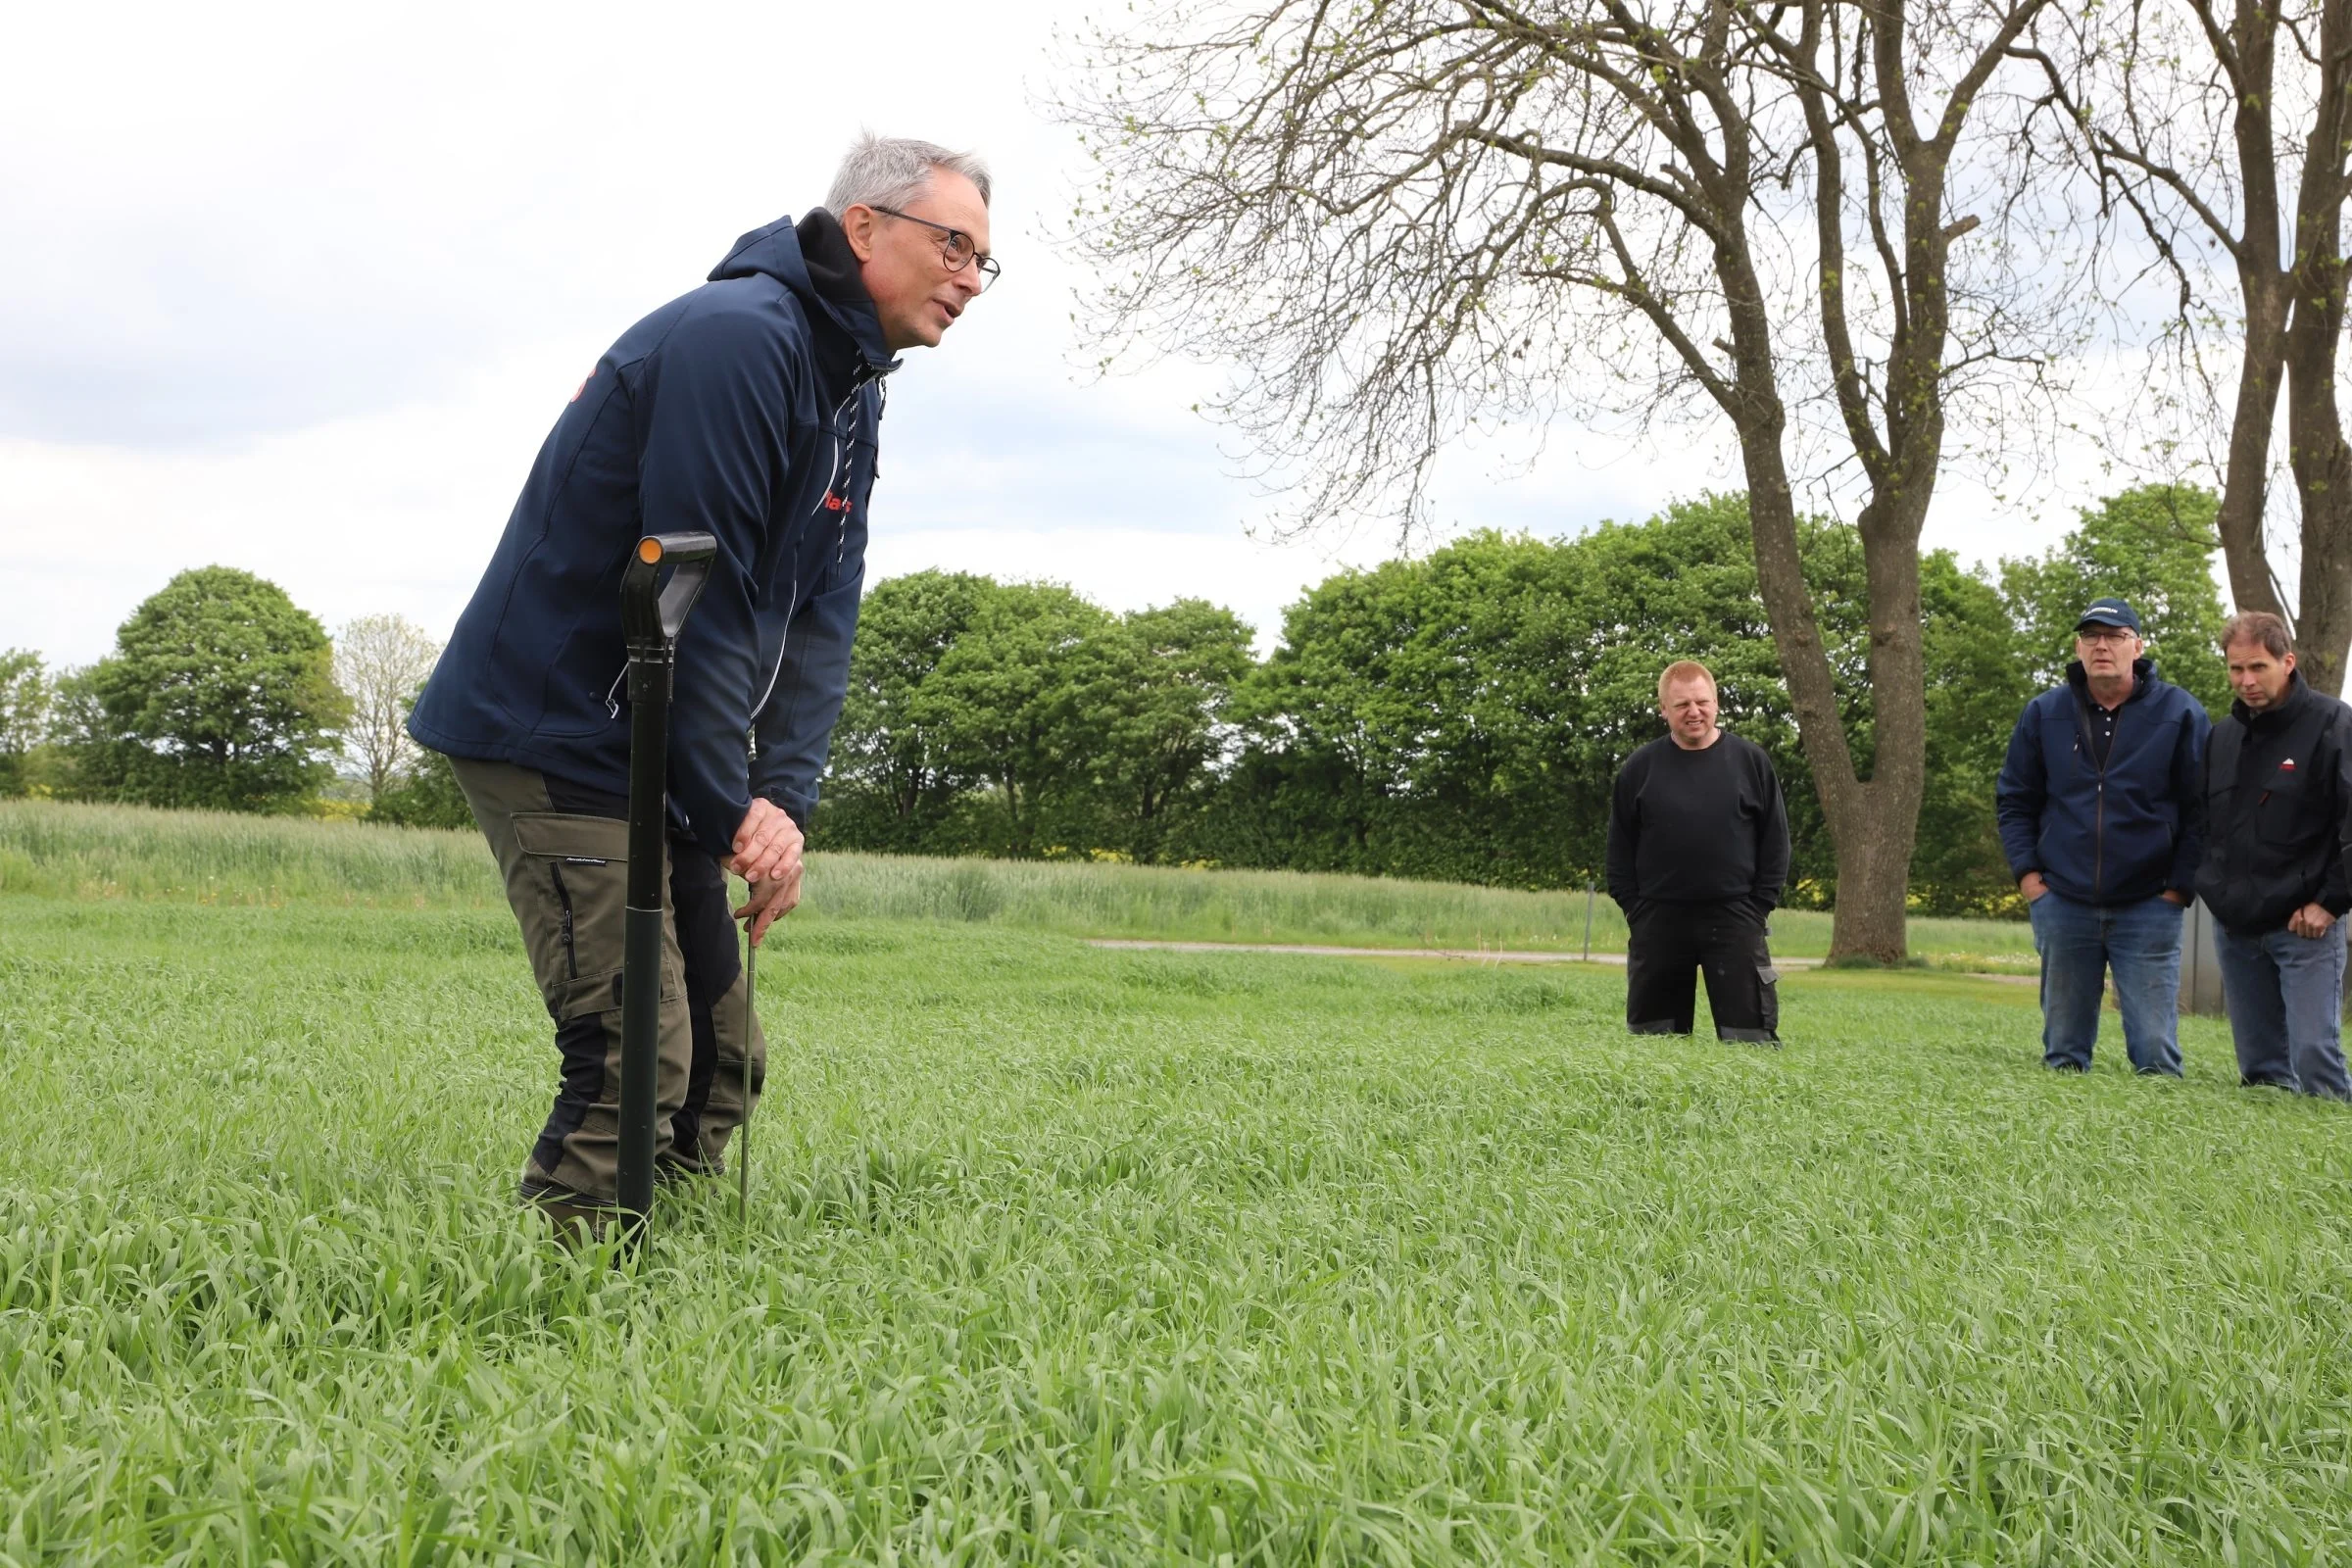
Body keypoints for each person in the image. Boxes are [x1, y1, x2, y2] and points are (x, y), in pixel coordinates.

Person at [408, 135, 996, 1225]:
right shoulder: (743, 343)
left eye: (982, 261)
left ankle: (665, 1280)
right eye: (953, 245)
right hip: (562, 729)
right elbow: (698, 592)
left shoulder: (852, 389)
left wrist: (786, 807)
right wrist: (733, 808)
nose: (970, 278)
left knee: (722, 1060)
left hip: (661, 732)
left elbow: (822, 611)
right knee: (637, 1055)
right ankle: (555, 1298)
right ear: (864, 228)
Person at [1996, 597, 2208, 1075]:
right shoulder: (2045, 712)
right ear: (2078, 647)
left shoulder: (2180, 713)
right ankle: (2067, 1143)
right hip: (2063, 901)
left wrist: (2178, 887)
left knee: (2155, 1053)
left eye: (2114, 636)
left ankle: (2157, 1138)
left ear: (2138, 645)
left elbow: (2203, 810)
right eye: (2091, 637)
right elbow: (2015, 799)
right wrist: (2030, 878)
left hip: (2150, 903)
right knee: (2064, 1053)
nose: (2102, 646)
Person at [2193, 612, 2352, 1100]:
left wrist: (2329, 902)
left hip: (2304, 924)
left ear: (2288, 661)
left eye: (2258, 667)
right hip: (2237, 928)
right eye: (2236, 669)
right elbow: (2206, 824)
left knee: (2313, 1055)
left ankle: (2332, 1153)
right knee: (2260, 1069)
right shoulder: (2223, 736)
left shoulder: (2333, 724)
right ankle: (2268, 1160)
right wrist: (2213, 890)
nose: (2246, 681)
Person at [1606, 660, 1791, 1044]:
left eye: (1702, 702)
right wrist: (1635, 910)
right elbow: (1619, 848)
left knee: (1750, 1040)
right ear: (1663, 710)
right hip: (1658, 918)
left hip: (1736, 916)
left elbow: (1776, 841)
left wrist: (1759, 907)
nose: (1694, 712)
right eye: (1682, 705)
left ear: (1717, 703)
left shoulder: (1750, 762)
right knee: (1654, 1042)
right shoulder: (1639, 768)